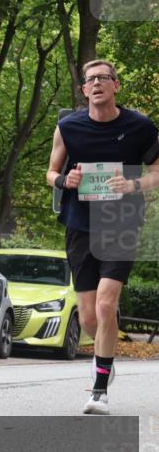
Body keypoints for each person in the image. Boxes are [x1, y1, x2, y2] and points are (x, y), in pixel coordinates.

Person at [47, 59, 158, 415]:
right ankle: (106, 354)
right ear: (84, 90)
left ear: (116, 85)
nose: (96, 84)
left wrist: (134, 183)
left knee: (106, 304)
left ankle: (99, 392)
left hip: (122, 222)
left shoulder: (140, 127)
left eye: (103, 78)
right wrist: (66, 181)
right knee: (91, 318)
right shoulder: (68, 127)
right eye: (90, 80)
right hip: (80, 225)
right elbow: (51, 171)